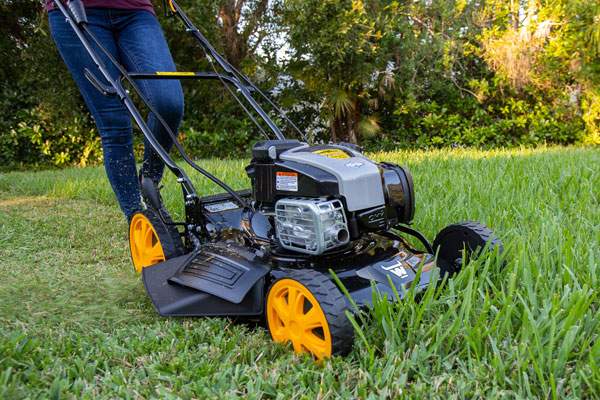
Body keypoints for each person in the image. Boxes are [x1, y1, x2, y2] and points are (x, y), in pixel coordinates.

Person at [46, 0, 184, 220]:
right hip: (75, 9)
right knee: (114, 121)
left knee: (168, 104)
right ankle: (137, 217)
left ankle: (149, 181)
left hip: (135, 10)